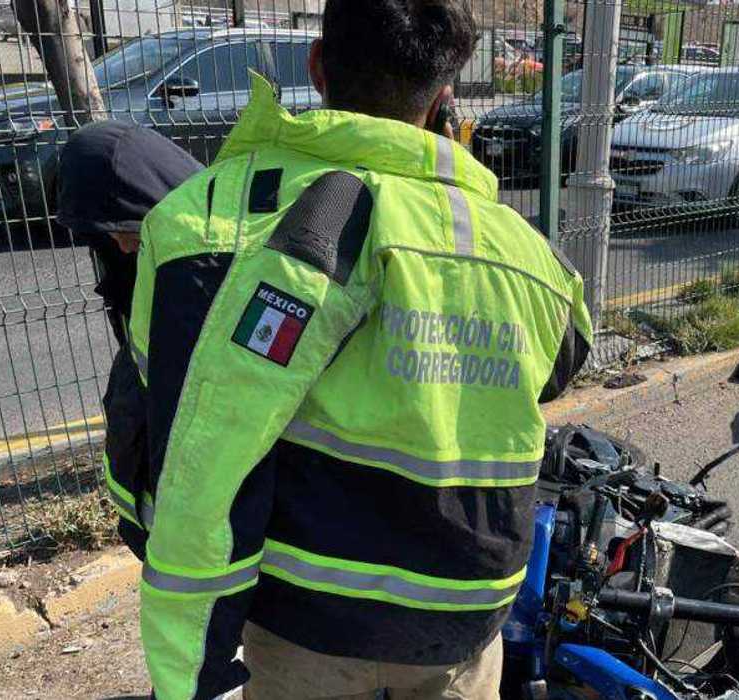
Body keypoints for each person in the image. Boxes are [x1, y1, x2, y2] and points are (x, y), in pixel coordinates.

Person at [126, 1, 592, 698]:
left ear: (315, 67)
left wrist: (191, 666)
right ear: (442, 99)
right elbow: (561, 366)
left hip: (311, 623)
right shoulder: (526, 252)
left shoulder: (203, 214)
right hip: (466, 618)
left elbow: (197, 451)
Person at [55, 121, 202, 560]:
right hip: (155, 517)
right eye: (107, 233)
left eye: (126, 229)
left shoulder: (200, 272)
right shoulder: (131, 268)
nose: (120, 246)